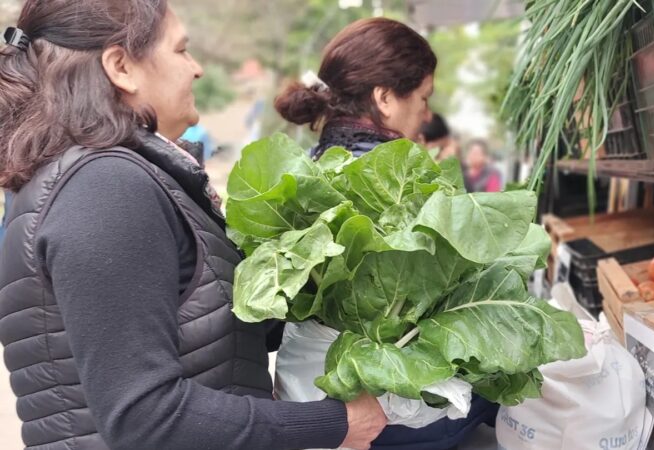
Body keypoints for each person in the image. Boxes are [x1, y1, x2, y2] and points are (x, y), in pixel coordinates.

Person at [0, 2, 385, 450]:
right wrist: (332, 423)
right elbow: (146, 416)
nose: (197, 69)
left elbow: (216, 333)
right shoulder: (103, 186)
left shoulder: (118, 178)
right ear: (121, 67)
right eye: (181, 50)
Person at [275, 17, 499, 450]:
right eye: (423, 97)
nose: (427, 114)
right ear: (384, 98)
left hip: (307, 398)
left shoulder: (308, 166)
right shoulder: (405, 185)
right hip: (378, 418)